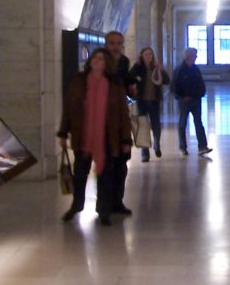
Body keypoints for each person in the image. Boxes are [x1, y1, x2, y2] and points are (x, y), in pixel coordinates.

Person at [57, 47, 132, 224]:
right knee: (80, 174)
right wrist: (63, 132)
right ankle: (77, 205)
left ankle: (104, 211)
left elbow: (122, 113)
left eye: (101, 59)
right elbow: (69, 108)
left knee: (105, 177)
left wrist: (126, 139)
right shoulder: (78, 81)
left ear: (107, 63)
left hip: (107, 136)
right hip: (83, 136)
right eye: (95, 58)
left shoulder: (114, 84)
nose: (97, 61)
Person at [105, 29, 135, 213]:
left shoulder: (124, 62)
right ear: (106, 45)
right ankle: (104, 205)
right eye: (112, 43)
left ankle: (118, 201)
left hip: (121, 117)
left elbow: (128, 84)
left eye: (119, 44)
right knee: (107, 164)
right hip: (104, 118)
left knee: (121, 164)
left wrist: (132, 89)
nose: (116, 47)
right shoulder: (99, 61)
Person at [128, 46, 170, 161]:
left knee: (156, 124)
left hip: (154, 101)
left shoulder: (155, 67)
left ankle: (156, 144)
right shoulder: (138, 68)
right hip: (142, 101)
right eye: (146, 54)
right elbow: (129, 78)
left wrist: (161, 70)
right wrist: (136, 66)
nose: (148, 56)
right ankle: (145, 153)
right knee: (143, 127)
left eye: (150, 54)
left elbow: (167, 80)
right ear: (142, 55)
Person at [172, 47, 212, 156]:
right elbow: (174, 86)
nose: (196, 57)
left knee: (198, 122)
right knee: (182, 123)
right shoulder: (179, 70)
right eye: (195, 55)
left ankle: (202, 146)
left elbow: (200, 83)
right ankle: (182, 147)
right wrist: (181, 96)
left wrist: (201, 93)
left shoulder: (195, 69)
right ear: (189, 56)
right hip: (184, 101)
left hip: (195, 100)